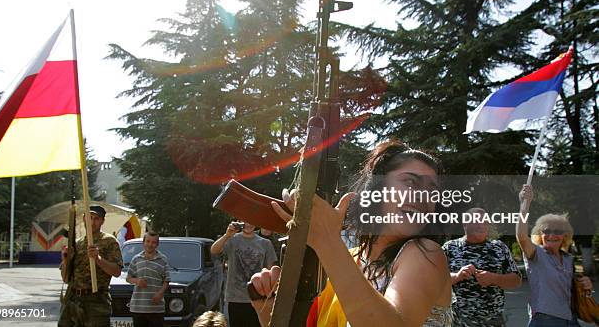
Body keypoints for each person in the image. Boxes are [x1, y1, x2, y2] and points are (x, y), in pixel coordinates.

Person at [251, 139, 453, 326]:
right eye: (410, 182)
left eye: (432, 190)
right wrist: (267, 310)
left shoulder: (426, 254)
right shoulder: (351, 258)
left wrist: (327, 240)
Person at [516, 184, 593, 326]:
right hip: (545, 320)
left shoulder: (568, 258)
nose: (552, 235)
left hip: (571, 319)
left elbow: (572, 291)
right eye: (546, 230)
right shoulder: (536, 254)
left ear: (565, 236)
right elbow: (521, 236)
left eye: (558, 231)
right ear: (540, 234)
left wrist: (586, 286)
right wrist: (524, 205)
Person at [443, 207, 522, 326]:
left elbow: (516, 280)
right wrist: (457, 276)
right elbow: (434, 281)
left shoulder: (499, 247)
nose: (481, 225)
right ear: (465, 224)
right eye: (476, 221)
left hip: (493, 322)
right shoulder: (450, 248)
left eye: (485, 222)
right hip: (459, 322)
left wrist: (494, 278)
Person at [59, 205, 123, 327]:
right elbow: (65, 278)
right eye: (90, 218)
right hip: (73, 300)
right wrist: (66, 260)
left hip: (96, 300)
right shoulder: (76, 243)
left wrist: (98, 259)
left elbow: (116, 272)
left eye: (96, 219)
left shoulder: (109, 241)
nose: (92, 222)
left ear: (102, 221)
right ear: (84, 219)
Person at [210, 222, 277, 327]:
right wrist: (227, 235)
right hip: (235, 298)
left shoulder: (265, 243)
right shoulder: (232, 240)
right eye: (245, 220)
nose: (249, 224)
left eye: (251, 220)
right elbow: (214, 250)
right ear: (238, 221)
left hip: (257, 299)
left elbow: (271, 270)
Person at [126, 231, 170, 327]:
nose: (150, 244)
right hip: (138, 307)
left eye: (153, 242)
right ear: (143, 242)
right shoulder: (136, 259)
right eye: (148, 241)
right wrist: (137, 281)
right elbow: (128, 278)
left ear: (157, 244)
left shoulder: (163, 259)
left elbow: (166, 281)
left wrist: (160, 294)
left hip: (156, 308)